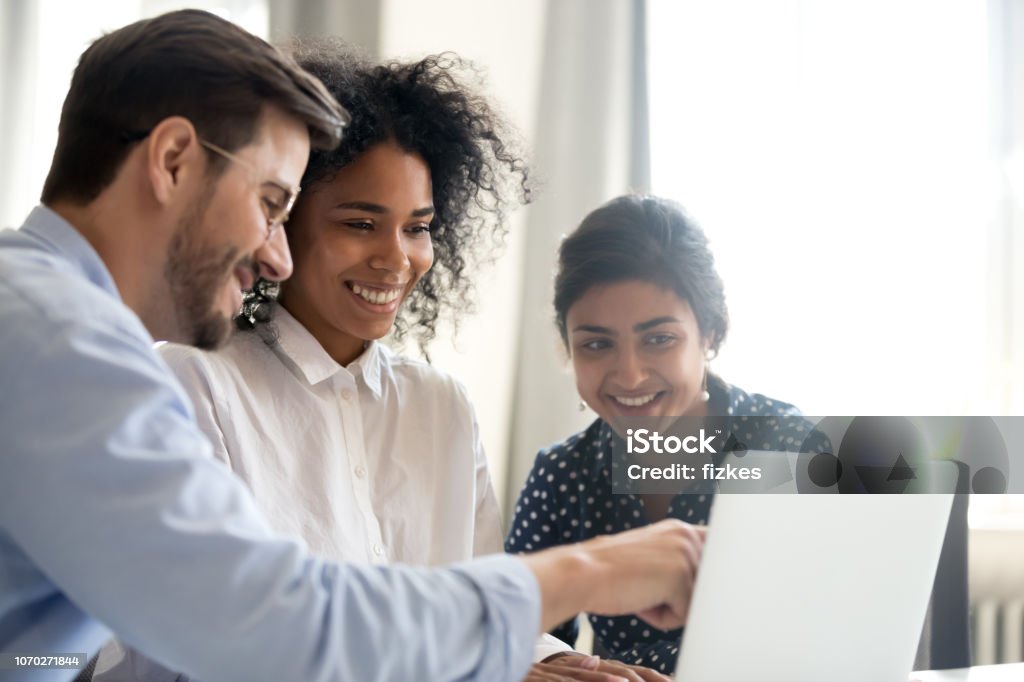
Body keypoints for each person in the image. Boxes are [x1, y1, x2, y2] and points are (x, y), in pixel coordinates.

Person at [0, 12, 704, 682]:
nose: (273, 256)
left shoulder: (46, 319)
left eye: (660, 337)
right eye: (273, 203)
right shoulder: (71, 346)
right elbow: (273, 625)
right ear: (174, 160)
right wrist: (594, 572)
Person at [506, 194, 829, 675]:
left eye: (659, 339)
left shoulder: (787, 446)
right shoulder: (561, 473)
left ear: (710, 333)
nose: (630, 375)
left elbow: (828, 633)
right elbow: (518, 629)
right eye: (596, 344)